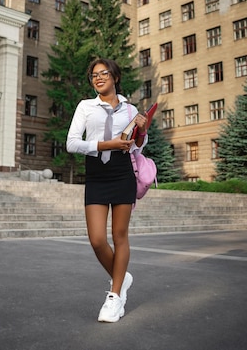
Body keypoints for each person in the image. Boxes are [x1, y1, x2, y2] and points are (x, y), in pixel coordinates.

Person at [66, 58, 148, 323]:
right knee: (97, 239)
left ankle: (114, 297)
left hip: (122, 173)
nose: (98, 78)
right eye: (93, 75)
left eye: (103, 73)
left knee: (120, 235)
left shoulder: (129, 109)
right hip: (97, 174)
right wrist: (105, 145)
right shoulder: (86, 107)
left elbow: (136, 146)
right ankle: (121, 276)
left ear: (114, 76)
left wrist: (142, 132)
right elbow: (72, 143)